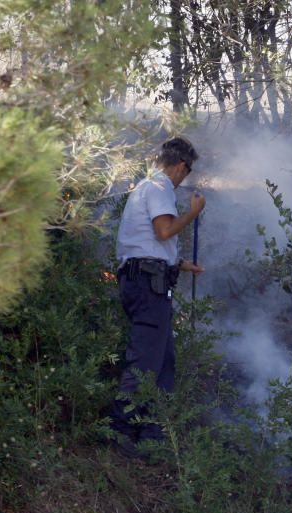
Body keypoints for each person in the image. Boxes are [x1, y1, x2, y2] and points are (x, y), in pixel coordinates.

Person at [109, 137, 205, 458]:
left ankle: (152, 435)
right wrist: (193, 213)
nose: (183, 179)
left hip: (146, 281)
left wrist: (179, 264)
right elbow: (164, 231)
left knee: (163, 363)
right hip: (148, 286)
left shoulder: (145, 187)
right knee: (145, 363)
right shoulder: (160, 186)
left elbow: (148, 243)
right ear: (180, 166)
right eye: (186, 172)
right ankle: (119, 431)